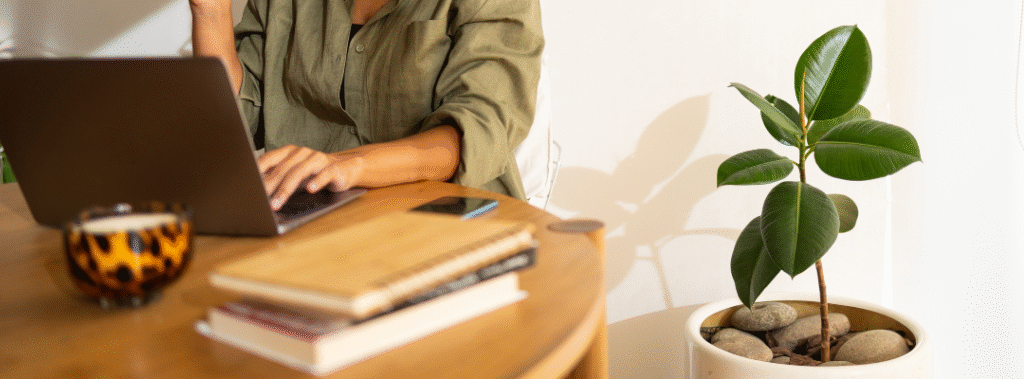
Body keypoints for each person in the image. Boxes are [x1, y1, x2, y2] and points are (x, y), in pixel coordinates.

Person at [188, 0, 544, 210]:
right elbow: (233, 125)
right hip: (310, 225)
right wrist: (211, 12)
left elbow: (480, 128)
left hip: (445, 223)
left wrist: (349, 165)